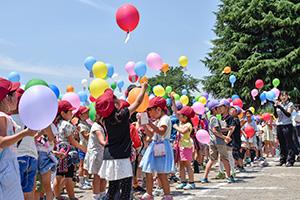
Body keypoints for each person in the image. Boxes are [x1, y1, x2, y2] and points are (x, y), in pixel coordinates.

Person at [98, 83, 147, 200]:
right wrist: (143, 89)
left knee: (112, 189)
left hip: (109, 156)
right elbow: (138, 103)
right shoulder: (122, 115)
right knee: (125, 190)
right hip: (122, 157)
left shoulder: (105, 119)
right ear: (114, 103)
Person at [0, 77, 37, 200]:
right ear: (6, 98)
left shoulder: (6, 117)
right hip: (6, 169)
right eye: (14, 93)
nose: (17, 96)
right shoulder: (2, 117)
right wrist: (24, 133)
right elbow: (1, 142)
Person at [140, 97, 175, 200]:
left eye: (150, 110)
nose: (149, 113)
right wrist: (145, 124)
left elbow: (161, 131)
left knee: (161, 172)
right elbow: (150, 134)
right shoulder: (157, 120)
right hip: (155, 145)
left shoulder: (165, 119)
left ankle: (167, 195)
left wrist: (149, 123)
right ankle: (149, 193)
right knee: (148, 170)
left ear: (158, 109)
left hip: (162, 146)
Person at [53, 100, 87, 200]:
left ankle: (57, 196)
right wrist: (83, 148)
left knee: (58, 175)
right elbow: (72, 141)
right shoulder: (67, 125)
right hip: (68, 152)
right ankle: (72, 197)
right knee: (69, 176)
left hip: (59, 151)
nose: (72, 113)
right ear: (63, 113)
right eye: (70, 111)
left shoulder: (56, 124)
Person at [10, 88, 39, 200]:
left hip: (17, 157)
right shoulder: (30, 119)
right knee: (29, 191)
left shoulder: (10, 119)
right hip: (32, 157)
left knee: (15, 192)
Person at [200, 100, 234, 184]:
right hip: (219, 142)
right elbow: (215, 131)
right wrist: (225, 137)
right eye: (218, 108)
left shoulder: (211, 118)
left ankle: (204, 177)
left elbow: (218, 129)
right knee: (224, 158)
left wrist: (227, 129)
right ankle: (229, 176)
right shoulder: (214, 118)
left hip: (212, 141)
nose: (220, 109)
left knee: (212, 159)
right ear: (214, 109)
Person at [170, 96, 195, 190]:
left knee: (188, 165)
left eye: (181, 115)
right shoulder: (181, 121)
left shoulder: (188, 125)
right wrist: (173, 101)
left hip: (186, 147)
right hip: (180, 147)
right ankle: (183, 181)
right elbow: (176, 112)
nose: (178, 116)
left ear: (186, 117)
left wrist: (176, 127)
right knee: (181, 165)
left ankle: (191, 182)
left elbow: (183, 131)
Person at [84, 115, 107, 200]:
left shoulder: (102, 125)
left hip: (102, 153)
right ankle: (96, 196)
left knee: (104, 175)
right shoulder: (96, 127)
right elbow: (102, 141)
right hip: (96, 154)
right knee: (97, 176)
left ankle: (103, 194)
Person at [273, 91, 296, 167]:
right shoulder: (279, 104)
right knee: (282, 144)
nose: (283, 97)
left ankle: (290, 160)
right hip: (279, 125)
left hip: (287, 125)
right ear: (280, 97)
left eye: (285, 95)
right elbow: (276, 116)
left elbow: (288, 114)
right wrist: (275, 107)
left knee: (289, 143)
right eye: (282, 96)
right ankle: (283, 159)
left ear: (287, 96)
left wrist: (280, 107)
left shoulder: (290, 104)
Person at [75, 106, 92, 190]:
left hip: (88, 147)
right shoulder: (81, 125)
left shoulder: (87, 123)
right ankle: (81, 182)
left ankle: (86, 180)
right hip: (83, 147)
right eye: (85, 112)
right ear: (80, 115)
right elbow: (86, 136)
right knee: (82, 165)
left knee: (87, 165)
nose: (88, 114)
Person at [229, 106, 245, 172]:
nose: (231, 112)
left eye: (233, 111)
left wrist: (228, 136)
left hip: (235, 139)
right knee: (237, 152)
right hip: (237, 138)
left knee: (235, 153)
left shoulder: (234, 120)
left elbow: (232, 129)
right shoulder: (237, 119)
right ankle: (240, 166)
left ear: (236, 112)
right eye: (230, 111)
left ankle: (240, 166)